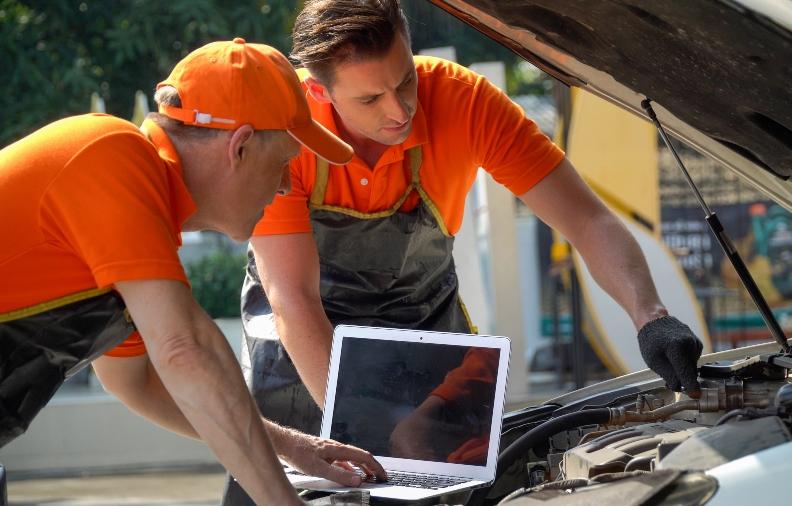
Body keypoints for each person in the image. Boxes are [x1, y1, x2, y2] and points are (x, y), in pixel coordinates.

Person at [227, 0, 704, 502]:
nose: (399, 110)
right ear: (319, 90)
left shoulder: (463, 101)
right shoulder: (286, 136)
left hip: (424, 352)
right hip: (300, 359)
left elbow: (588, 219)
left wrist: (651, 316)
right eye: (370, 99)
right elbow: (293, 299)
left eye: (404, 80)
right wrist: (360, 434)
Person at [0, 38, 385, 506]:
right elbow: (185, 348)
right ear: (240, 146)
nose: (286, 184)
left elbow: (138, 382)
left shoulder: (135, 220)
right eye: (284, 162)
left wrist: (293, 445)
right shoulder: (110, 154)